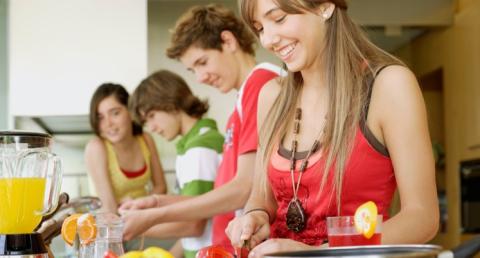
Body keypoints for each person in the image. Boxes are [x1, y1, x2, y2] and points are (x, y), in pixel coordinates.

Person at [225, 0, 439, 256]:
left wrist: (316, 254)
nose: (269, 40)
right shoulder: (271, 96)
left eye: (279, 18)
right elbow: (262, 198)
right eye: (260, 28)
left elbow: (422, 218)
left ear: (324, 7)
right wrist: (254, 216)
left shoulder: (388, 85)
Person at [119, 4, 283, 251]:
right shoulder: (243, 99)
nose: (200, 78)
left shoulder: (261, 85)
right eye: (193, 69)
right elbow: (225, 193)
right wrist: (155, 201)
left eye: (203, 62)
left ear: (228, 41)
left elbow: (244, 189)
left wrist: (153, 216)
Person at [128, 70, 224, 258]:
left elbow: (193, 224)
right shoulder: (193, 144)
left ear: (170, 103)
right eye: (146, 122)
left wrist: (136, 226)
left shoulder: (199, 149)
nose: (151, 127)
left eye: (152, 116)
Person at [85, 83, 167, 214]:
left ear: (130, 111)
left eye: (115, 113)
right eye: (100, 117)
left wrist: (137, 205)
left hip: (141, 218)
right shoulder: (96, 148)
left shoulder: (146, 139)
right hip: (109, 226)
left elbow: (161, 187)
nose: (108, 123)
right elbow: (109, 209)